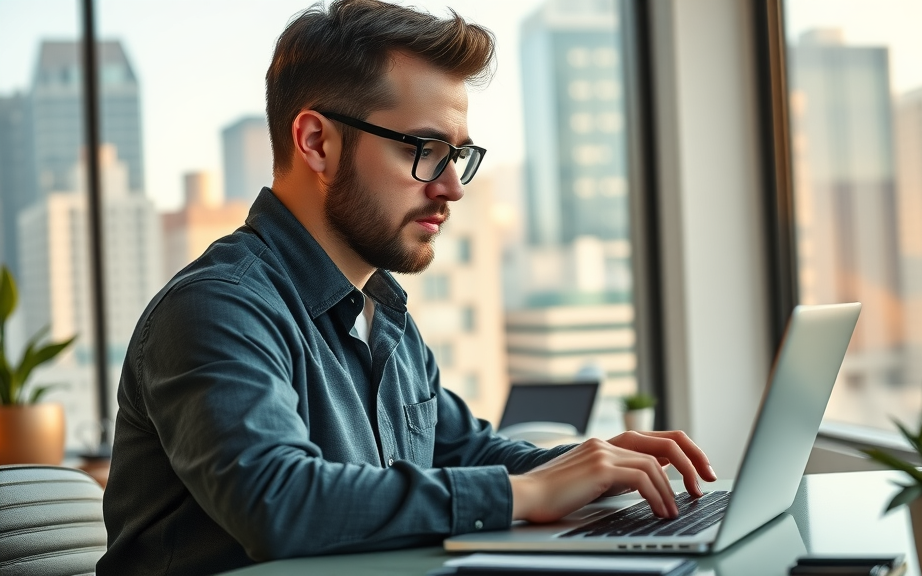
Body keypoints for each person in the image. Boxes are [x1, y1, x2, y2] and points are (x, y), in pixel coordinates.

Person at [97, 0, 716, 573]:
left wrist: (597, 465)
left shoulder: (381, 312)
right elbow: (275, 500)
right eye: (425, 149)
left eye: (460, 156)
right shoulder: (217, 306)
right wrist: (524, 493)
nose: (452, 187)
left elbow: (464, 451)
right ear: (317, 142)